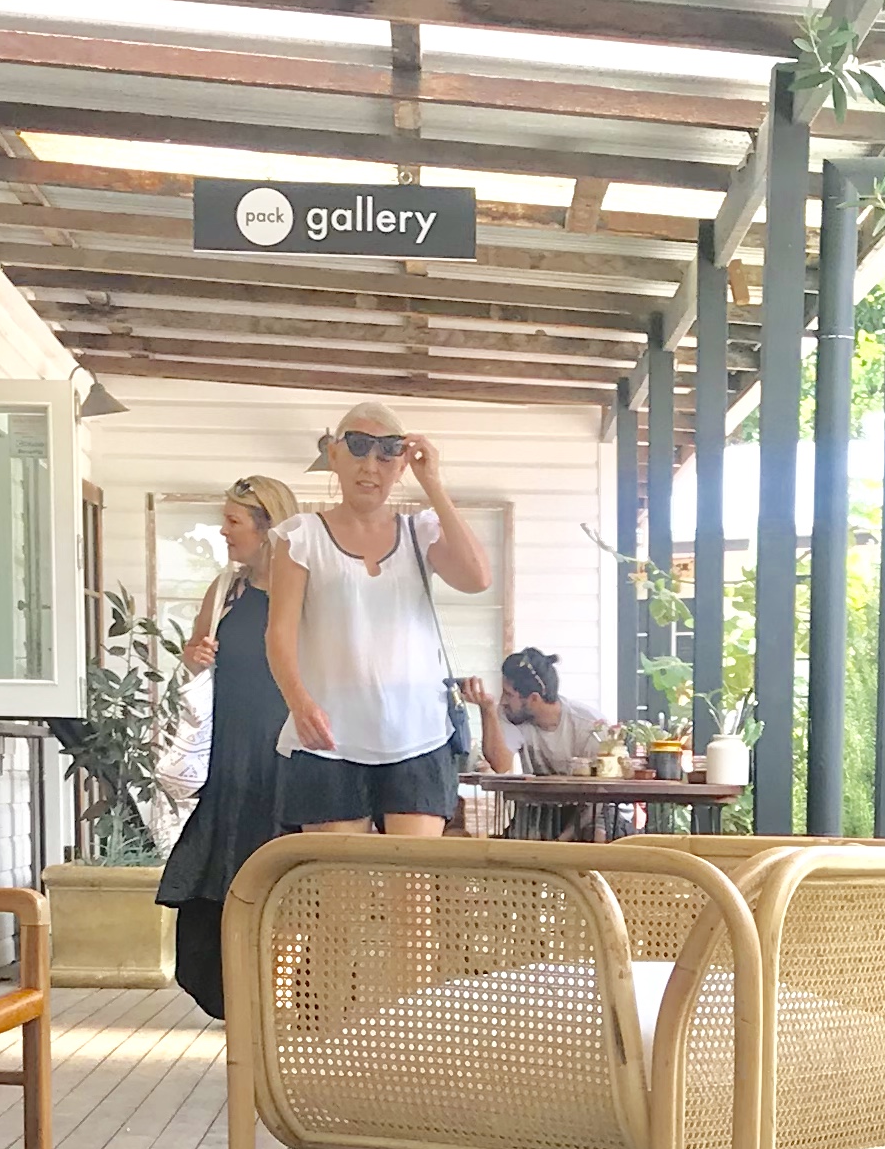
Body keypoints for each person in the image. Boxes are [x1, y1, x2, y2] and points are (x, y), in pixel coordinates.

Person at [264, 405, 493, 836]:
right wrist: (299, 702)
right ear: (334, 455)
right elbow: (279, 633)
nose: (370, 466)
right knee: (336, 876)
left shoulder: (420, 531)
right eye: (357, 447)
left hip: (418, 735)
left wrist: (433, 484)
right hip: (329, 738)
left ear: (402, 464)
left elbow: (477, 578)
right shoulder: (301, 536)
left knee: (414, 877)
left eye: (387, 453)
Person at [155, 474, 299, 1017]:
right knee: (218, 891)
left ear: (268, 527)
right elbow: (197, 656)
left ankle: (282, 1006)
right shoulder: (225, 591)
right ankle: (241, 1002)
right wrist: (194, 658)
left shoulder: (305, 590)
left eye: (233, 521)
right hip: (230, 759)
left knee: (284, 890)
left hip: (288, 760)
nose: (223, 531)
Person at [467, 649, 617, 839]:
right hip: (541, 806)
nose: (502, 701)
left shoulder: (589, 727)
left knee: (598, 834)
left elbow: (602, 793)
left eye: (508, 694)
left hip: (594, 806)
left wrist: (563, 840)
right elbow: (500, 765)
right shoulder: (511, 715)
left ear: (534, 699)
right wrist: (487, 710)